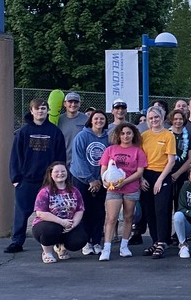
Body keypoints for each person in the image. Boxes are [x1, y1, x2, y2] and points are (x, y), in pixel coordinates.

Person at [6, 98, 67, 253]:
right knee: (21, 212)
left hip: (48, 181)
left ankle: (57, 241)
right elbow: (15, 156)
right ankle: (17, 242)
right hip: (26, 180)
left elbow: (61, 157)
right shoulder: (23, 132)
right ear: (31, 111)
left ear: (48, 111)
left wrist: (59, 178)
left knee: (54, 211)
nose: (41, 111)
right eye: (38, 108)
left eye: (44, 108)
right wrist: (15, 178)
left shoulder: (55, 132)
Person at [98, 122, 147, 261]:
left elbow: (139, 172)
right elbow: (104, 168)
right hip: (113, 189)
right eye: (123, 133)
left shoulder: (138, 151)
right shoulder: (110, 150)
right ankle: (106, 248)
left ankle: (124, 246)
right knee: (111, 218)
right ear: (118, 135)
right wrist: (104, 181)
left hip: (131, 188)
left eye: (129, 133)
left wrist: (124, 182)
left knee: (128, 217)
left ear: (133, 135)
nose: (126, 136)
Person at [31, 161, 88, 264]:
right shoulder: (45, 191)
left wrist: (73, 224)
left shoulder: (74, 191)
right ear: (50, 174)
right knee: (51, 230)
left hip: (68, 224)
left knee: (79, 240)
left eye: (63, 171)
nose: (60, 174)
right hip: (47, 224)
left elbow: (80, 210)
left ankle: (61, 247)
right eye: (56, 171)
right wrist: (61, 222)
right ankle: (47, 253)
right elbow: (40, 213)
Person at [139, 105, 177, 258]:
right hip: (146, 175)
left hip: (163, 175)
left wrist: (160, 180)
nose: (154, 120)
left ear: (162, 118)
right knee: (149, 211)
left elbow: (171, 161)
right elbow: (140, 159)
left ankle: (162, 242)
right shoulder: (144, 136)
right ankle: (155, 241)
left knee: (161, 209)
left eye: (156, 117)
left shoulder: (169, 136)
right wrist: (141, 178)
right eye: (151, 118)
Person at [70, 109, 109, 255]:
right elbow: (79, 159)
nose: (99, 121)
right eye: (96, 118)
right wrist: (90, 179)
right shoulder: (82, 136)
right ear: (91, 120)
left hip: (101, 181)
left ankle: (97, 241)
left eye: (102, 119)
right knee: (84, 211)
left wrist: (100, 179)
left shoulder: (108, 138)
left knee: (99, 211)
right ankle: (86, 242)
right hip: (82, 180)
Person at [167, 108, 191, 204]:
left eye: (180, 119)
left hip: (183, 173)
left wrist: (177, 174)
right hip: (166, 171)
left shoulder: (189, 137)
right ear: (171, 120)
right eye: (175, 119)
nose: (178, 121)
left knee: (180, 201)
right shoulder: (166, 135)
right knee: (166, 201)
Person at [57, 91, 88, 164]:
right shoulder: (59, 120)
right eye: (70, 102)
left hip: (81, 162)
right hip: (62, 160)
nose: (73, 104)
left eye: (76, 102)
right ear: (65, 104)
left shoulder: (87, 120)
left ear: (79, 104)